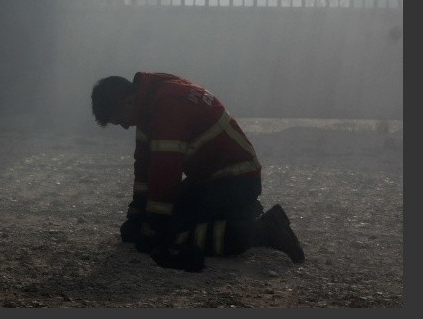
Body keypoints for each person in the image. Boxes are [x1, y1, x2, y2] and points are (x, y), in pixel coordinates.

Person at [91, 72, 305, 271]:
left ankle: (262, 233)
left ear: (127, 102)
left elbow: (165, 170)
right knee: (137, 231)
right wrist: (138, 210)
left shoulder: (166, 106)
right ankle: (242, 212)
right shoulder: (155, 100)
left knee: (164, 235)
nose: (125, 127)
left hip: (233, 181)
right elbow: (144, 164)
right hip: (223, 179)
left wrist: (154, 225)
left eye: (120, 121)